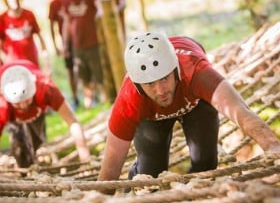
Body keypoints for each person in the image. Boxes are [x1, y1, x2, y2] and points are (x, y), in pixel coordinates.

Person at [97, 32, 280, 194]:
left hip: (195, 103)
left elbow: (240, 111)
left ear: (176, 70)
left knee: (205, 164)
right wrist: (99, 202)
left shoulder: (196, 72)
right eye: (150, 84)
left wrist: (273, 148)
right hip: (151, 116)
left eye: (165, 78)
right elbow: (111, 167)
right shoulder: (129, 98)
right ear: (138, 86)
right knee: (147, 178)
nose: (161, 91)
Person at [0, 59, 90, 168]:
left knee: (37, 140)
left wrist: (85, 161)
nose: (23, 106)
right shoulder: (3, 105)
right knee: (20, 152)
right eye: (18, 104)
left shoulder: (46, 88)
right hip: (12, 114)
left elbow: (73, 122)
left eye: (27, 100)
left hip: (37, 107)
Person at [63, 0, 105, 109]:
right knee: (83, 75)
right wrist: (65, 44)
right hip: (77, 46)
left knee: (99, 73)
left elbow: (101, 13)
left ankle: (105, 98)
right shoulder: (66, 1)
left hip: (93, 43)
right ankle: (89, 103)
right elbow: (67, 22)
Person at [0, 0, 50, 75]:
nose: (14, 0)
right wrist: (5, 61)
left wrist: (47, 63)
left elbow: (40, 38)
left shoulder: (29, 14)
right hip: (13, 66)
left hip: (31, 63)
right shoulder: (2, 18)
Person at [48, 0, 79, 109]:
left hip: (80, 39)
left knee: (82, 67)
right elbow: (51, 25)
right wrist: (55, 45)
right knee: (70, 69)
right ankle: (75, 97)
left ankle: (91, 96)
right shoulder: (54, 4)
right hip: (66, 42)